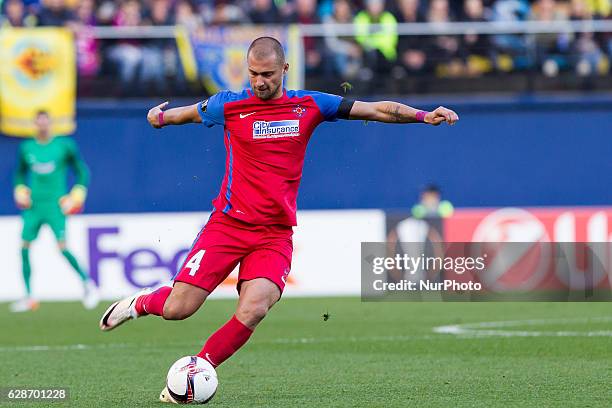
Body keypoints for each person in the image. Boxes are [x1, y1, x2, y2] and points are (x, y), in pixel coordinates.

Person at [98, 36, 458, 403]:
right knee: (178, 309)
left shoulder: (310, 104)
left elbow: (375, 110)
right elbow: (186, 114)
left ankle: (199, 369)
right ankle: (140, 303)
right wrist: (158, 118)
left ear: (284, 69)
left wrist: (422, 116)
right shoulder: (230, 104)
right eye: (253, 74)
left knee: (255, 308)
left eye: (267, 74)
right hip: (228, 226)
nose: (259, 82)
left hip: (274, 234)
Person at [11, 110, 99, 312]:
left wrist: (77, 192)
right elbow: (19, 173)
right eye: (39, 122)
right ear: (35, 124)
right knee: (24, 247)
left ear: (50, 124)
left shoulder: (64, 146)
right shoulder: (27, 148)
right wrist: (19, 188)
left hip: (55, 205)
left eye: (45, 122)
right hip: (34, 206)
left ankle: (88, 285)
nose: (42, 125)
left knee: (62, 247)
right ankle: (29, 296)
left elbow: (82, 171)